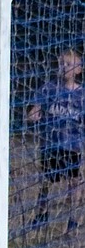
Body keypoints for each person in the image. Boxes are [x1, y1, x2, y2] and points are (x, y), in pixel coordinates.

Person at [25, 47, 84, 231]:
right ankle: (41, 214)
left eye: (68, 64)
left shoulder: (82, 95)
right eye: (61, 64)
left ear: (78, 69)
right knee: (46, 182)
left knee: (74, 183)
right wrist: (34, 115)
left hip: (73, 147)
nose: (64, 67)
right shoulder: (48, 88)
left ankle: (73, 220)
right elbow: (35, 110)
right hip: (51, 145)